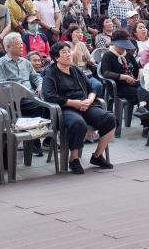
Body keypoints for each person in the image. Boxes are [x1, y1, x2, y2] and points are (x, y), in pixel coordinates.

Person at [41, 42, 116, 174]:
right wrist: (73, 103)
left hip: (85, 105)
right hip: (65, 108)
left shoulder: (76, 70)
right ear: (56, 57)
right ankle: (73, 158)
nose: (68, 54)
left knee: (110, 118)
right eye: (63, 52)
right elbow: (49, 96)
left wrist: (89, 99)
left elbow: (92, 88)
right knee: (77, 123)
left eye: (68, 51)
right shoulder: (51, 73)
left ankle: (97, 156)